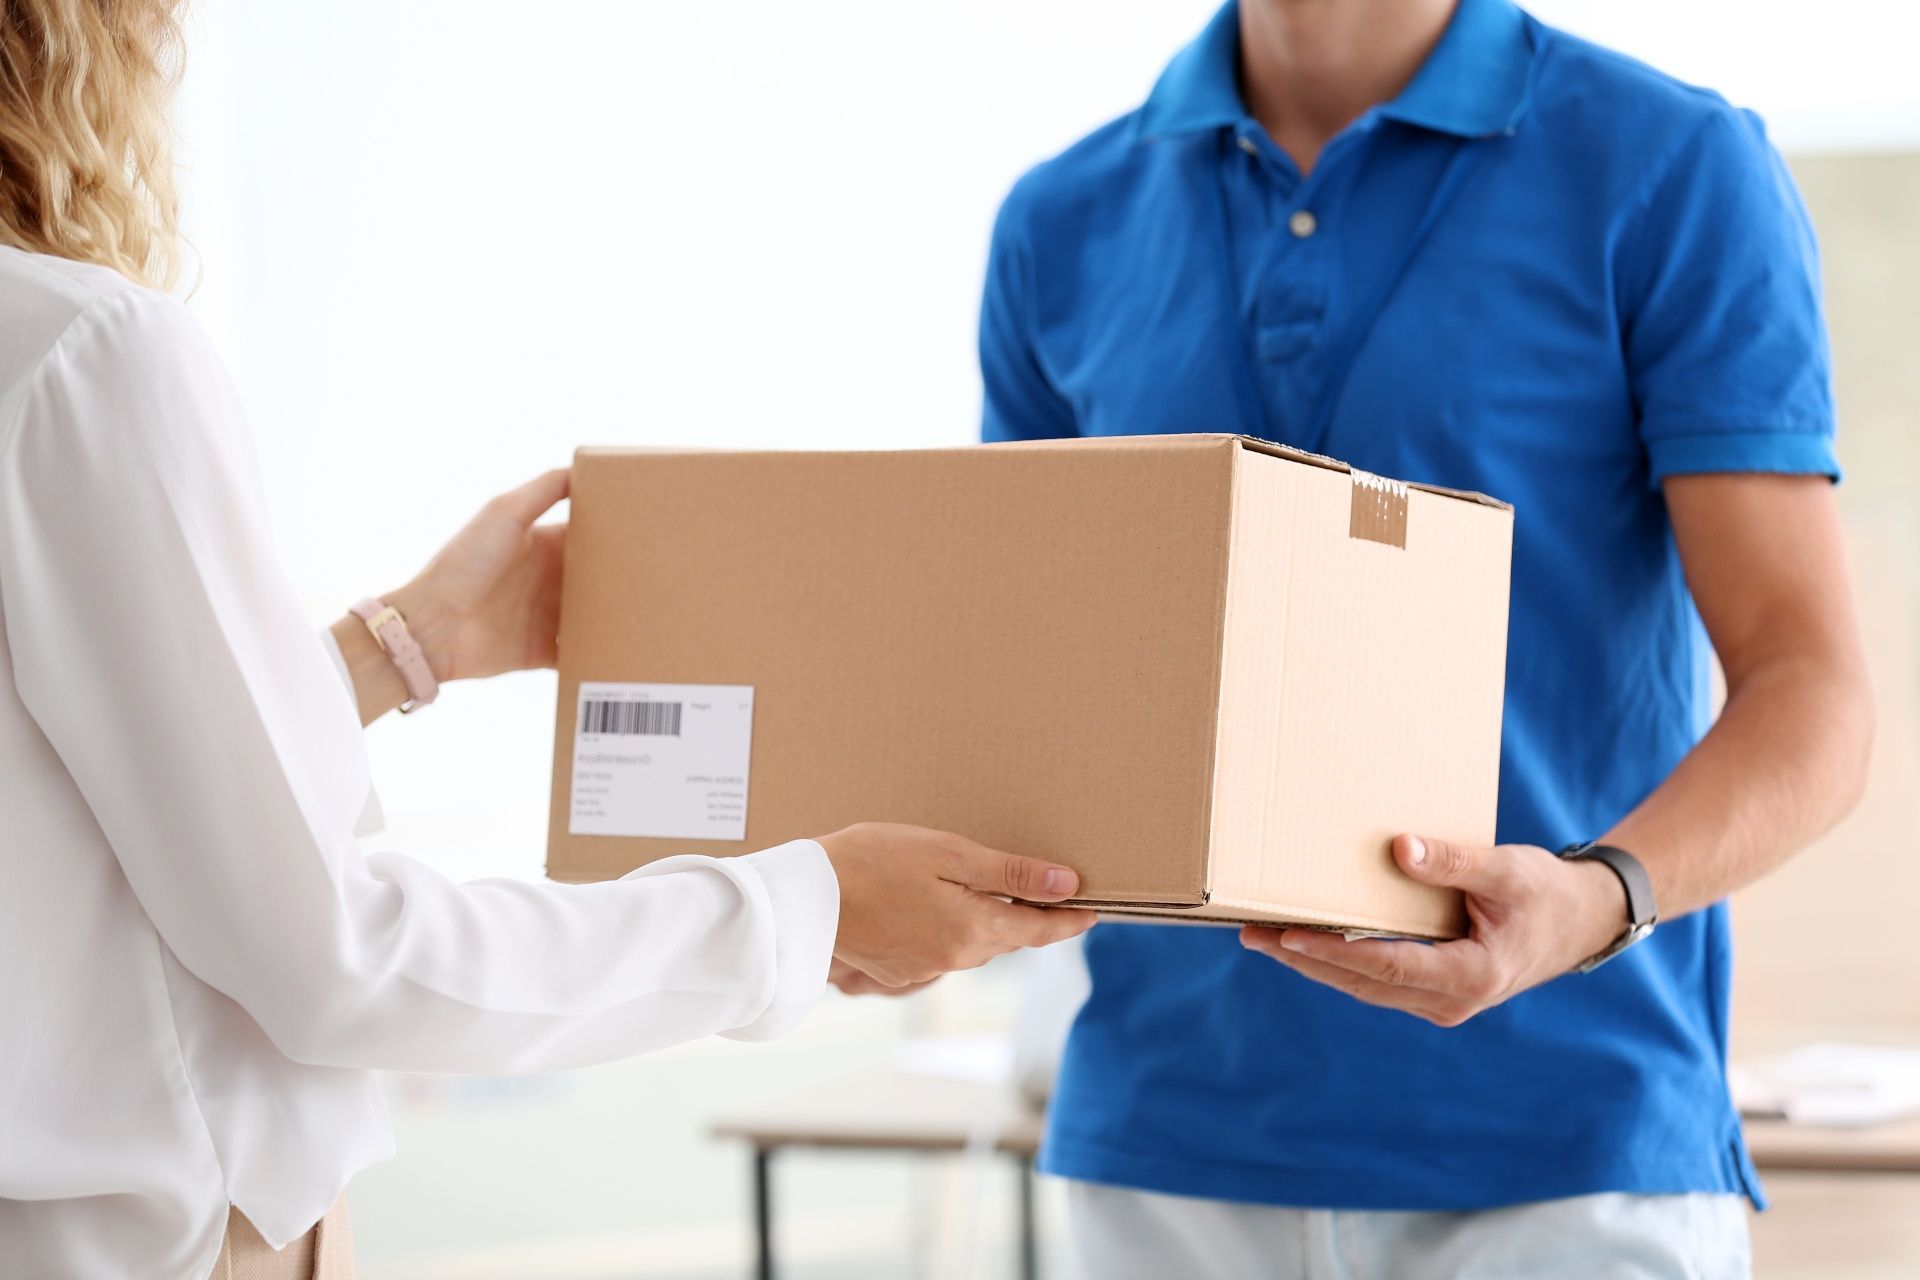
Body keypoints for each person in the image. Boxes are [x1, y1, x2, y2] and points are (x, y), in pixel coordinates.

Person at [0, 5, 1094, 1278]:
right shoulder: (84, 350)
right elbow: (334, 960)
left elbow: (61, 799)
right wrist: (807, 906)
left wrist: (400, 647)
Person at [972, 0, 1873, 1275]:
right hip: (1165, 1157)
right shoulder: (1059, 220)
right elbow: (1031, 667)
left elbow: (1813, 689)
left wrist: (1591, 900)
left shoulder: (1671, 163)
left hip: (1567, 1159)